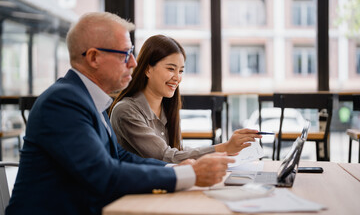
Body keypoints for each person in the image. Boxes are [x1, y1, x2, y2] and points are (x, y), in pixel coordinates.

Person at [6, 12, 235, 215]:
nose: (134, 63)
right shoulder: (63, 102)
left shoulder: (91, 99)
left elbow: (118, 157)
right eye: (125, 54)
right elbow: (103, 174)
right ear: (94, 57)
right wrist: (190, 175)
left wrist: (178, 168)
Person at [109, 34, 261, 163]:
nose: (177, 77)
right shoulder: (126, 111)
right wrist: (224, 148)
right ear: (148, 69)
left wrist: (224, 151)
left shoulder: (166, 107)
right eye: (171, 69)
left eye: (181, 71)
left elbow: (177, 151)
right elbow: (165, 157)